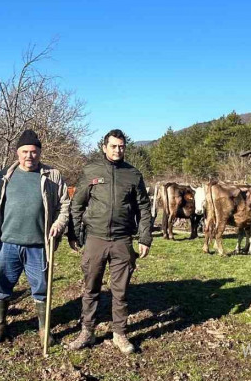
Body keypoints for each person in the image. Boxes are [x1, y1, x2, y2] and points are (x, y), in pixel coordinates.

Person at [66, 129, 152, 354]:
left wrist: (145, 237)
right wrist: (74, 234)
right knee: (91, 287)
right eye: (113, 146)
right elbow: (78, 204)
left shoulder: (133, 174)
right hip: (95, 238)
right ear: (104, 147)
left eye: (121, 146)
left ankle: (120, 333)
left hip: (122, 240)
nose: (117, 150)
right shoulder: (91, 171)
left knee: (120, 290)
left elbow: (144, 207)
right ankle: (87, 331)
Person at [0, 130, 70, 346]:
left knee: (41, 287)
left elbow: (64, 205)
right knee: (2, 285)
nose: (29, 156)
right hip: (8, 243)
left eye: (33, 152)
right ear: (17, 153)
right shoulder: (3, 177)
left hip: (38, 244)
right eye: (25, 152)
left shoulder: (53, 175)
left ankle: (43, 328)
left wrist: (59, 225)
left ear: (39, 153)